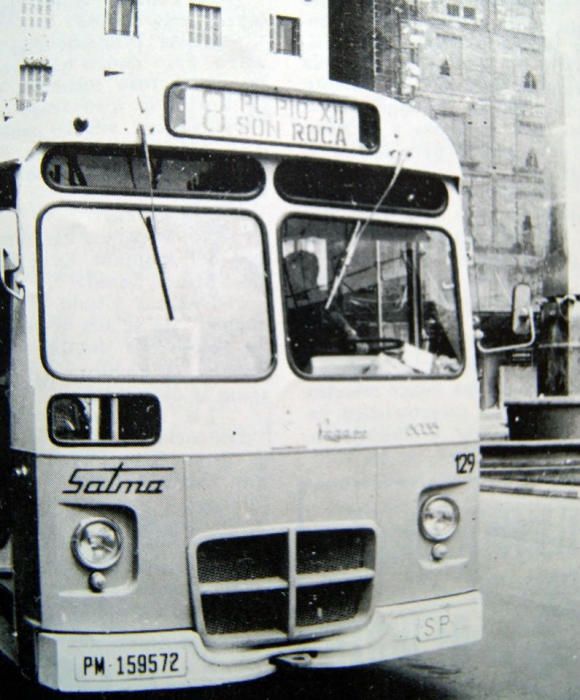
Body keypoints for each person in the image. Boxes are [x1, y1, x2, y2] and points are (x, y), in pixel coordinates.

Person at [283, 250, 368, 371]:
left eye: (311, 268)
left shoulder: (324, 300)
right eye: (303, 269)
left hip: (329, 362)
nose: (309, 274)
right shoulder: (281, 303)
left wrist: (352, 335)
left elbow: (340, 321)